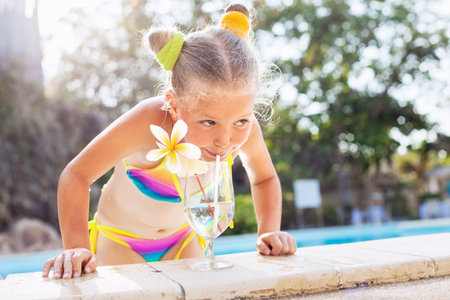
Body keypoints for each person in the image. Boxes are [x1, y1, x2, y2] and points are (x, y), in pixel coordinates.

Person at [42, 3, 297, 280]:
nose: (225, 140)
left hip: (183, 240)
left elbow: (264, 178)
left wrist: (268, 231)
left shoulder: (244, 128)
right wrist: (77, 249)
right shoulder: (149, 122)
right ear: (174, 106)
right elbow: (76, 175)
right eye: (208, 122)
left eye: (241, 121)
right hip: (122, 241)